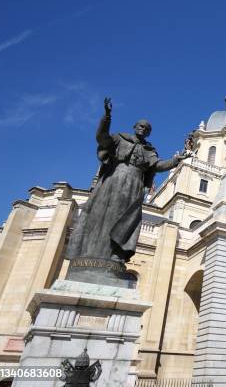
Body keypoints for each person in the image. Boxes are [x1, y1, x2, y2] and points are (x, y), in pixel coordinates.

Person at [65, 97, 189, 265]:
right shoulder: (119, 139)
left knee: (127, 219)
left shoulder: (149, 150)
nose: (143, 129)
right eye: (141, 126)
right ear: (135, 127)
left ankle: (117, 252)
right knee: (99, 214)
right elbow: (102, 138)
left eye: (147, 128)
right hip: (113, 180)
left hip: (134, 185)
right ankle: (90, 252)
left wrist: (175, 160)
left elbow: (158, 165)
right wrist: (107, 117)